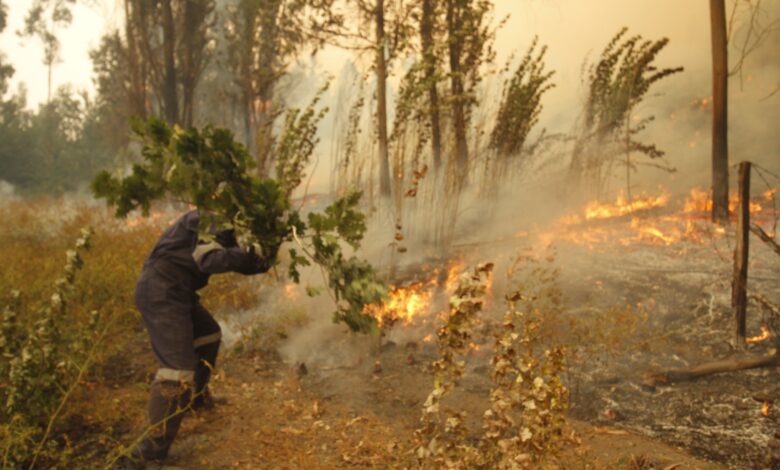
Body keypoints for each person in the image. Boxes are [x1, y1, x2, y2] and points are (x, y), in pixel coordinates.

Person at [127, 210, 277, 465]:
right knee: (177, 370)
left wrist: (263, 260)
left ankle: (196, 399)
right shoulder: (210, 216)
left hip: (177, 290)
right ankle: (148, 453)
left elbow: (233, 260)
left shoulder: (221, 224)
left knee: (209, 334)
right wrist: (252, 251)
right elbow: (209, 260)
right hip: (162, 290)